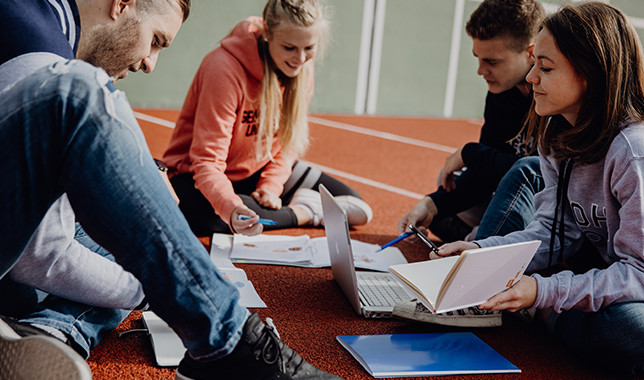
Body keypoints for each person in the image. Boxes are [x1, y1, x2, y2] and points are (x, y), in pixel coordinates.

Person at [0, 1, 339, 380]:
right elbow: (43, 256)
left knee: (126, 246)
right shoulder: (31, 37)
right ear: (122, 5)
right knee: (80, 93)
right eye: (156, 40)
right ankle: (225, 338)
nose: (150, 63)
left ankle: (52, 334)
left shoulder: (51, 30)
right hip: (19, 268)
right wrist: (163, 286)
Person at [434, 2, 644, 374]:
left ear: (590, 74)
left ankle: (542, 313)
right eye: (534, 66)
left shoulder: (639, 152)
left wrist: (544, 292)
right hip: (636, 276)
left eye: (545, 68)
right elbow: (554, 230)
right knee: (603, 317)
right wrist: (482, 250)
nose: (531, 79)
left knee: (631, 334)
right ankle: (548, 313)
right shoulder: (557, 134)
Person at [391, 0, 545, 329]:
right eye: (477, 59)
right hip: (507, 197)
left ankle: (473, 289)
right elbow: (487, 171)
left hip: (546, 211)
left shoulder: (550, 94)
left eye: (491, 61)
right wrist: (432, 203)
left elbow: (530, 173)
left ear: (531, 52)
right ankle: (478, 242)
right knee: (444, 198)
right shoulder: (500, 93)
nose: (480, 70)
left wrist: (467, 152)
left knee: (512, 171)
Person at [161, 0, 372, 237]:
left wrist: (271, 186)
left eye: (309, 48)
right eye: (289, 47)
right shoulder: (223, 68)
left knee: (356, 207)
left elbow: (286, 144)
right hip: (196, 176)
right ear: (268, 35)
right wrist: (231, 206)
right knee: (204, 217)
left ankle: (271, 209)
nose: (300, 59)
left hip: (257, 169)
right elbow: (207, 162)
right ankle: (304, 213)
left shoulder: (302, 69)